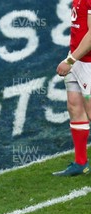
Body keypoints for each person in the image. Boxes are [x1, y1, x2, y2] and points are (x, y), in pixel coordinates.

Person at [54, 0, 91, 176]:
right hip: (77, 58)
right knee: (74, 106)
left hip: (88, 64)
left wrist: (70, 61)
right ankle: (81, 163)